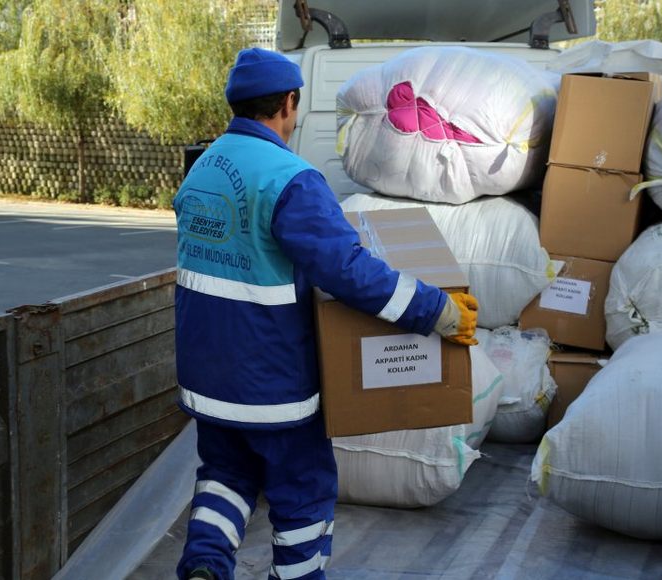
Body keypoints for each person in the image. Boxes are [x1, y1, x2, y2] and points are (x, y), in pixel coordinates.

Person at [174, 47, 479, 580]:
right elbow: (347, 272)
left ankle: (204, 567)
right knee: (304, 492)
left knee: (224, 477)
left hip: (206, 379)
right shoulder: (290, 179)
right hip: (272, 385)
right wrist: (438, 311)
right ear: (290, 104)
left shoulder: (202, 168)